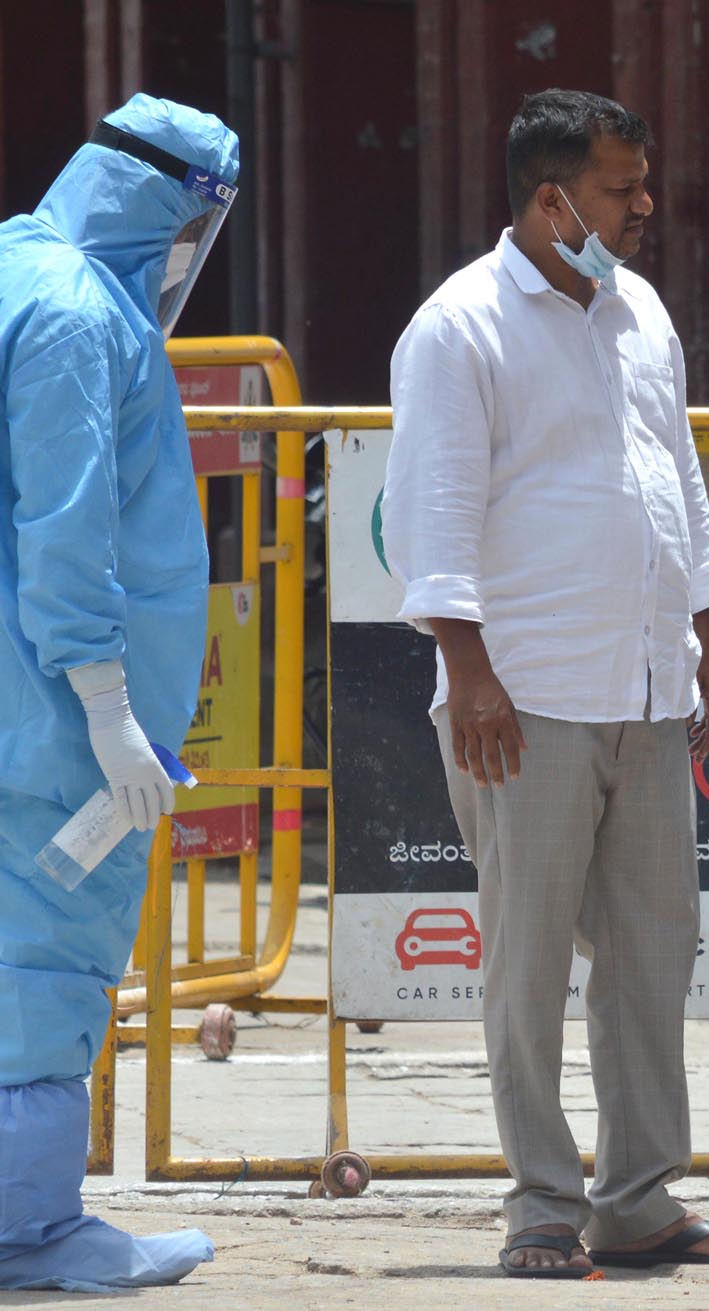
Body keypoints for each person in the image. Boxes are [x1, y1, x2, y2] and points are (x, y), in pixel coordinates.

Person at [382, 88, 709, 1278]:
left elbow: (679, 476)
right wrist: (470, 672)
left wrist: (703, 632)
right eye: (619, 188)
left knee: (655, 955)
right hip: (525, 696)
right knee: (529, 962)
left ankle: (642, 1201)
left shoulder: (639, 310)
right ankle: (544, 1208)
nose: (643, 207)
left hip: (647, 687)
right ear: (551, 201)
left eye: (641, 183)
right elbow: (432, 514)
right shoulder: (457, 328)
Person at [0, 94, 237, 1292]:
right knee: (44, 965)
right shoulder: (82, 314)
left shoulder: (12, 267)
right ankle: (30, 1228)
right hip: (51, 722)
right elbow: (68, 526)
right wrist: (106, 705)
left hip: (22, 699)